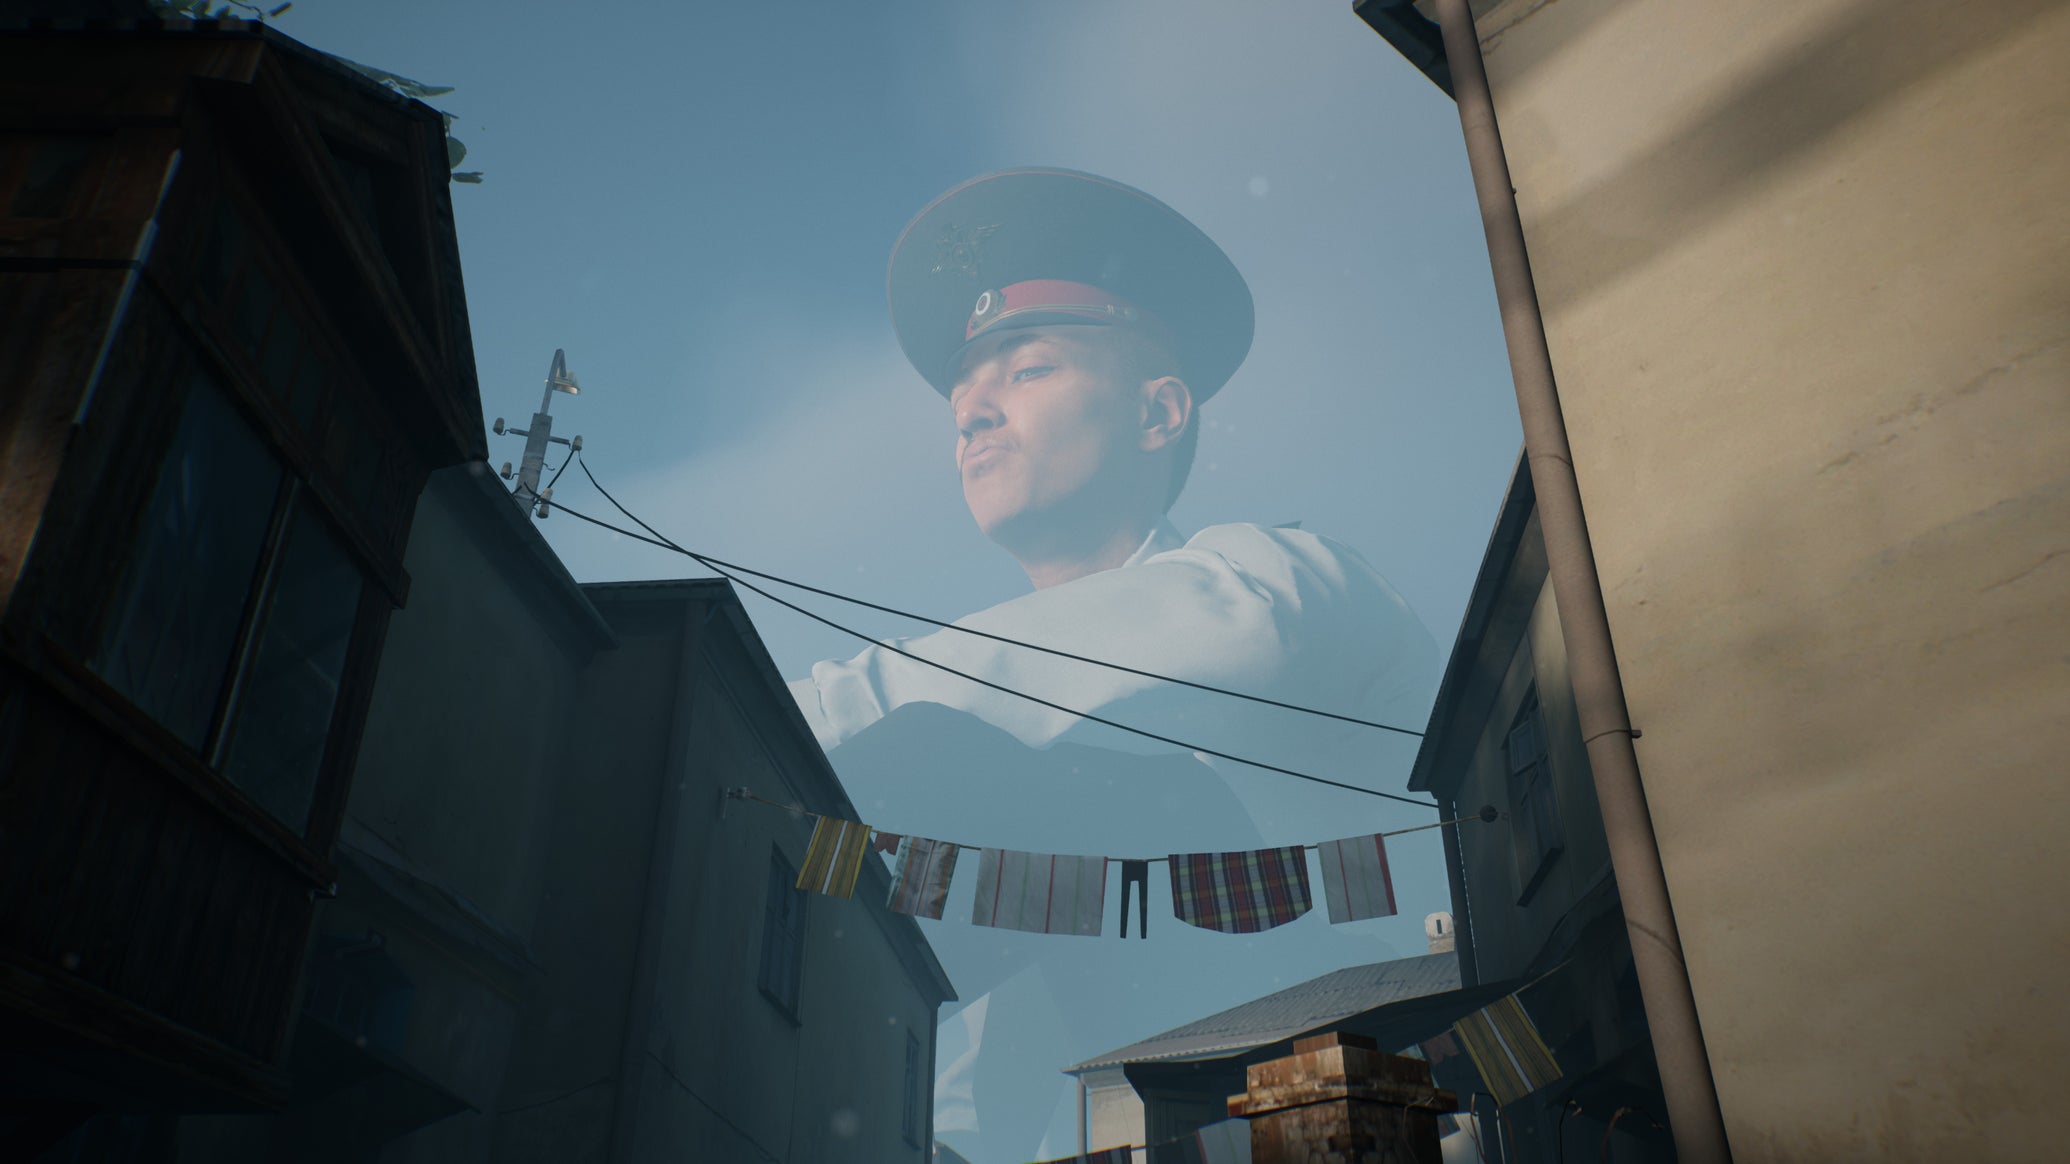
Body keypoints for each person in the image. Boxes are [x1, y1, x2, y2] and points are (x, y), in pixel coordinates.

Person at [787, 169, 1440, 1163]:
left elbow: (1196, 647)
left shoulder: (1284, 581)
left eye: (1026, 371)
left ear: (1158, 413)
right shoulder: (1013, 800)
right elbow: (974, 1084)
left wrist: (751, 714)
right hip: (1153, 1117)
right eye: (962, 394)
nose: (972, 413)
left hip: (1379, 1104)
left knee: (961, 769)